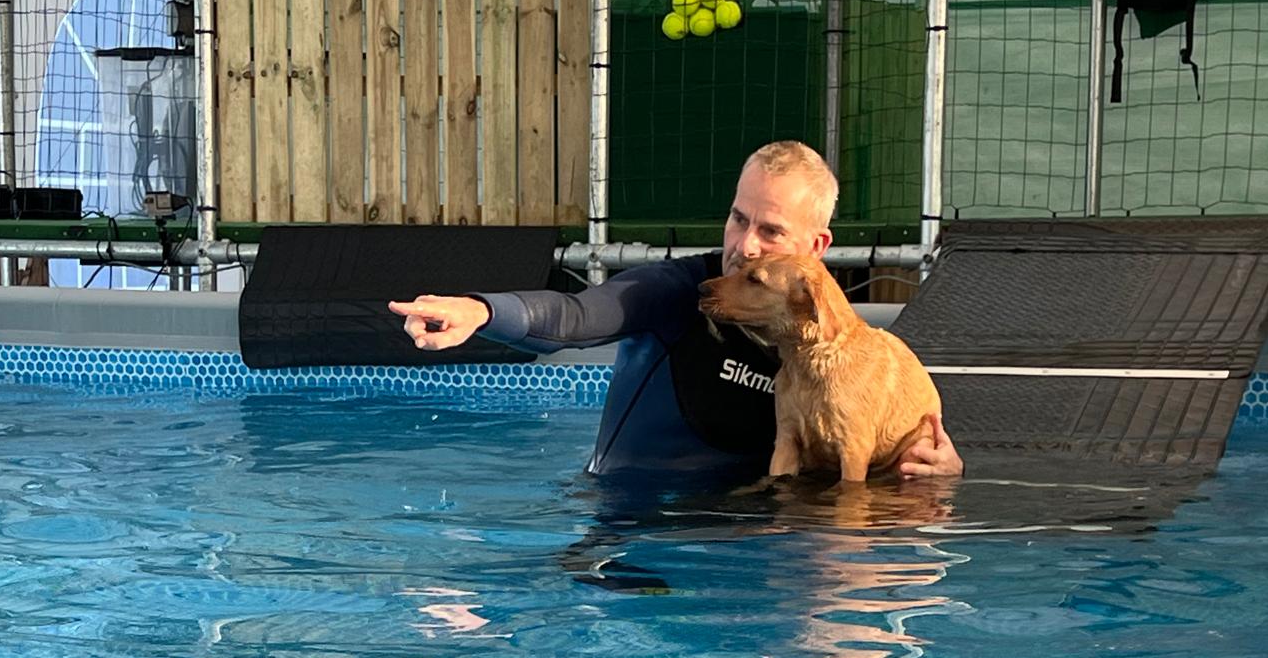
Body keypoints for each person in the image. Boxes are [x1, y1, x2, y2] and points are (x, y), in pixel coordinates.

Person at [388, 140, 963, 482]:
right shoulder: (681, 291)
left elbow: (884, 439)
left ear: (816, 247)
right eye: (739, 219)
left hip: (751, 532)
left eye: (771, 231)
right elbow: (575, 318)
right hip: (633, 523)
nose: (747, 245)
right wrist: (484, 311)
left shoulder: (836, 348)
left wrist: (940, 468)